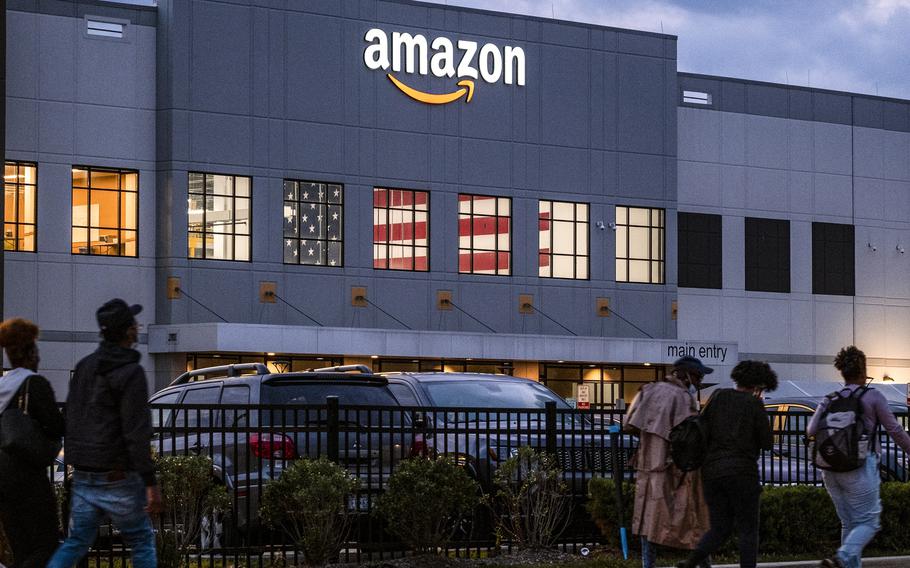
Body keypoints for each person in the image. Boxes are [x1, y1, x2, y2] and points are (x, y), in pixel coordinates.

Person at [48, 299, 162, 568]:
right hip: (118, 475)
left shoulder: (86, 366)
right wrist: (150, 483)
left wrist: (76, 459)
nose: (138, 326)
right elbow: (136, 432)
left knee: (75, 543)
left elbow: (72, 418)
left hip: (85, 475)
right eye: (133, 323)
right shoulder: (131, 373)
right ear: (127, 331)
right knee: (142, 541)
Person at [808, 346, 910, 568]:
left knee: (849, 523)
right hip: (859, 467)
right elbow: (895, 430)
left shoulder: (830, 398)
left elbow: (811, 430)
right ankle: (841, 558)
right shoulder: (873, 396)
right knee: (869, 522)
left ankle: (845, 563)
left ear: (842, 372)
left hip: (829, 469)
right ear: (863, 371)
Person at [677, 360, 778, 568]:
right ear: (758, 385)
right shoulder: (755, 404)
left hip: (712, 472)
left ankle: (691, 562)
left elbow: (702, 427)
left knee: (719, 527)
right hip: (743, 473)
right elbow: (767, 442)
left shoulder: (718, 396)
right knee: (748, 529)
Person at [624, 356, 712, 568]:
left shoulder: (648, 390)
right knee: (692, 517)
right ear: (688, 375)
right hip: (675, 467)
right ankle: (702, 563)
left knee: (649, 520)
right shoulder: (682, 397)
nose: (700, 382)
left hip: (647, 465)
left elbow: (629, 423)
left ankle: (648, 564)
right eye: (698, 376)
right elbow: (688, 435)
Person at [0, 318, 65, 568]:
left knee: (22, 548)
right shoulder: (33, 384)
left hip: (3, 479)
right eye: (36, 351)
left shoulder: (3, 385)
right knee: (46, 545)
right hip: (27, 476)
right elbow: (57, 425)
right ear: (29, 354)